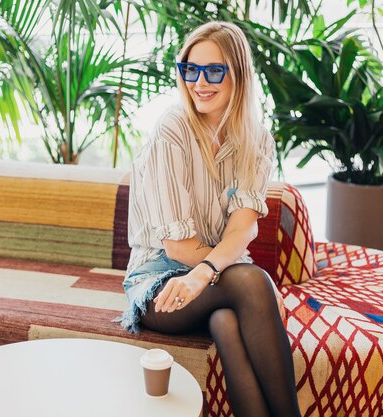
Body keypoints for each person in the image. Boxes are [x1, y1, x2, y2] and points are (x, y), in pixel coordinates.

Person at [118, 21, 301, 417]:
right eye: (190, 69)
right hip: (160, 283)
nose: (199, 82)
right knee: (252, 282)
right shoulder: (173, 130)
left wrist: (206, 272)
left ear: (239, 74)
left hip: (213, 277)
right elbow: (178, 246)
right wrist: (215, 271)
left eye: (214, 70)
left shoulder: (256, 138)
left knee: (226, 322)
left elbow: (243, 227)